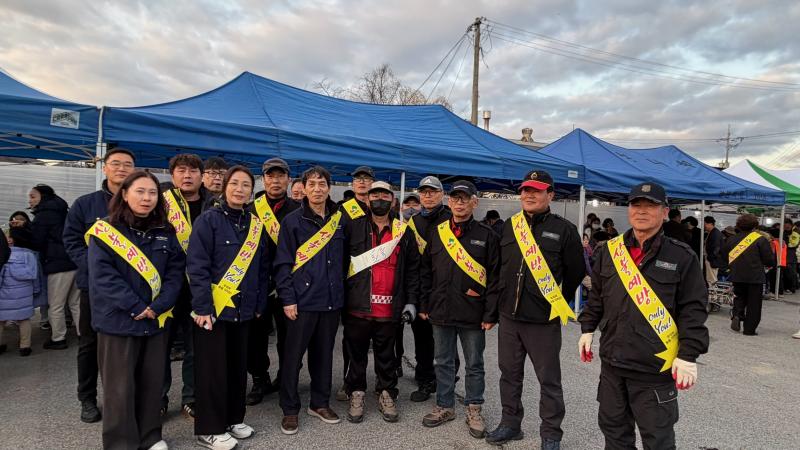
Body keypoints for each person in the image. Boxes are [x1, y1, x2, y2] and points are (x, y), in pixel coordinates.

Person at [578, 182, 709, 450]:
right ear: (628, 210)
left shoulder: (682, 256)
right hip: (613, 364)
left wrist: (688, 355)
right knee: (614, 435)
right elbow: (597, 296)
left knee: (658, 440)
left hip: (655, 369)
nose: (642, 211)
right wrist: (587, 328)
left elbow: (694, 310)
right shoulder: (610, 251)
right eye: (636, 205)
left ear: (664, 212)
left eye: (650, 205)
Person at [486, 170, 585, 449]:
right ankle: (510, 423)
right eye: (525, 190)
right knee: (509, 374)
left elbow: (576, 271)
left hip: (543, 320)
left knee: (549, 381)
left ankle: (551, 434)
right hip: (509, 317)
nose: (529, 195)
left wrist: (558, 302)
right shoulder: (508, 226)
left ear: (550, 195)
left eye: (537, 190)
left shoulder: (564, 229)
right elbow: (498, 269)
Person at [87, 170, 184, 450]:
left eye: (152, 193)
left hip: (155, 319)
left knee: (152, 383)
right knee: (120, 389)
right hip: (119, 320)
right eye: (140, 191)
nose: (146, 198)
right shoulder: (106, 230)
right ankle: (121, 443)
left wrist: (159, 305)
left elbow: (176, 272)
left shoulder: (165, 231)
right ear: (125, 194)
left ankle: (150, 436)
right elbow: (103, 276)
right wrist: (136, 306)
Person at [188, 165, 271, 450]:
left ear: (251, 191)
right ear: (224, 187)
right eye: (234, 184)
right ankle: (209, 428)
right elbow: (196, 267)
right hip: (213, 311)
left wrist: (259, 304)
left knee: (237, 368)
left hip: (244, 310)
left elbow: (261, 269)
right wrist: (201, 307)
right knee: (212, 371)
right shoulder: (208, 220)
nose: (240, 189)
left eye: (246, 185)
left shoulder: (255, 224)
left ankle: (234, 418)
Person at [419, 180, 500, 439]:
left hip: (472, 311)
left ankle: (474, 407)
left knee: (474, 364)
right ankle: (444, 406)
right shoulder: (438, 232)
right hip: (440, 309)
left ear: (475, 202)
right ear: (449, 201)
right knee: (442, 361)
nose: (459, 202)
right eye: (455, 198)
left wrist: (490, 313)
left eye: (465, 198)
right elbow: (425, 271)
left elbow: (496, 278)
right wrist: (424, 303)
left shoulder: (488, 235)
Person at [63, 147, 136, 423]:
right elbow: (71, 241)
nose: (121, 169)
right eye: (115, 163)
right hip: (95, 289)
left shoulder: (141, 202)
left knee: (127, 347)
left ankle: (125, 399)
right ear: (104, 167)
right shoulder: (86, 203)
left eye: (127, 164)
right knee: (90, 344)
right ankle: (87, 398)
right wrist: (97, 268)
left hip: (134, 291)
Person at [275, 166, 345, 435]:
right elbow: (282, 264)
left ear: (330, 187)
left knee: (323, 356)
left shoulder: (340, 219)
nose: (317, 188)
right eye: (312, 184)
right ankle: (290, 408)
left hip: (331, 300)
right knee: (292, 358)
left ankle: (319, 403)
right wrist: (287, 299)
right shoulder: (292, 221)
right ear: (302, 187)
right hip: (301, 302)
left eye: (322, 183)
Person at [342, 180, 419, 423]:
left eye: (385, 195)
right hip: (358, 307)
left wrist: (411, 302)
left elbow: (413, 270)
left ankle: (387, 393)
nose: (379, 199)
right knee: (357, 355)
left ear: (393, 200)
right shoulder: (352, 228)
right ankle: (356, 391)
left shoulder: (403, 231)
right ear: (366, 199)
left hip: (390, 309)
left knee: (387, 356)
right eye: (374, 194)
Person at [161, 153, 217, 419]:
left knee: (197, 348)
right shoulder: (162, 203)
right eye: (181, 171)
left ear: (201, 176)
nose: (187, 175)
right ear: (172, 175)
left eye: (193, 171)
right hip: (166, 287)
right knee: (161, 346)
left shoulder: (214, 204)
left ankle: (191, 397)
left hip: (201, 288)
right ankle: (158, 397)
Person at [245, 158, 300, 406]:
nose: (275, 180)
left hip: (290, 284)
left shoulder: (299, 210)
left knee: (289, 338)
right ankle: (260, 379)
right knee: (255, 337)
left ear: (288, 179)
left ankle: (286, 377)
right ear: (263, 179)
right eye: (270, 176)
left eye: (280, 176)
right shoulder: (251, 210)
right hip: (259, 285)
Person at [406, 175, 451, 402]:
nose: (428, 195)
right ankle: (425, 380)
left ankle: (447, 382)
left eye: (433, 191)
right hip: (422, 290)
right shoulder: (413, 222)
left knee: (447, 342)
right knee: (422, 339)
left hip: (447, 291)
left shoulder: (452, 218)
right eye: (424, 192)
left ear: (442, 194)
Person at [336, 165, 374, 401]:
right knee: (351, 337)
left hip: (378, 281)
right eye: (357, 179)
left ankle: (382, 382)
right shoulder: (343, 211)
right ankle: (348, 381)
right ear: (352, 184)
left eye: (366, 179)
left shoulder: (381, 208)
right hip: (352, 280)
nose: (361, 182)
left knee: (380, 337)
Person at [29, 184, 81, 351]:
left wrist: (21, 232)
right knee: (76, 303)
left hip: (57, 264)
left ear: (42, 197)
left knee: (56, 304)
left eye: (33, 196)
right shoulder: (63, 210)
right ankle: (83, 334)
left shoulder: (44, 215)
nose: (30, 200)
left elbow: (37, 241)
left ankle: (58, 338)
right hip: (74, 261)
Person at [721, 214, 774, 336]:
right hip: (755, 276)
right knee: (754, 303)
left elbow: (724, 255)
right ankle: (749, 329)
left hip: (737, 275)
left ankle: (737, 315)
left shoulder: (731, 239)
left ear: (738, 225)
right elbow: (768, 259)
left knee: (739, 297)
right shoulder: (760, 239)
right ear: (755, 226)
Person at [0, 226, 43, 357]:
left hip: (4, 296)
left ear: (11, 240)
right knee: (24, 320)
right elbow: (35, 276)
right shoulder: (30, 255)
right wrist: (36, 291)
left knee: (1, 321)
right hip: (24, 296)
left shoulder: (4, 255)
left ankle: (1, 344)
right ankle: (25, 347)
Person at [703, 216, 723, 286]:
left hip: (712, 260)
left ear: (710, 224)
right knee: (710, 278)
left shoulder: (715, 233)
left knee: (711, 279)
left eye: (705, 224)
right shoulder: (713, 232)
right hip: (711, 259)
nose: (704, 226)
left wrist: (710, 258)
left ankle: (712, 294)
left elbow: (716, 248)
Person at [767, 228, 787, 296]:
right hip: (783, 262)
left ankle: (773, 292)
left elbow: (772, 253)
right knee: (779, 278)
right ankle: (780, 292)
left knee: (773, 278)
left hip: (776, 261)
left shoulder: (773, 242)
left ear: (772, 235)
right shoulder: (783, 242)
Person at [783, 218, 798, 294]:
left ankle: (792, 288)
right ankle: (787, 288)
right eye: (785, 225)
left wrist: (785, 243)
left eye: (787, 225)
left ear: (791, 224)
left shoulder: (795, 233)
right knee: (786, 273)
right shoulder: (783, 232)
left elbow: (793, 245)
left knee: (791, 273)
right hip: (784, 255)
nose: (786, 227)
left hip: (791, 255)